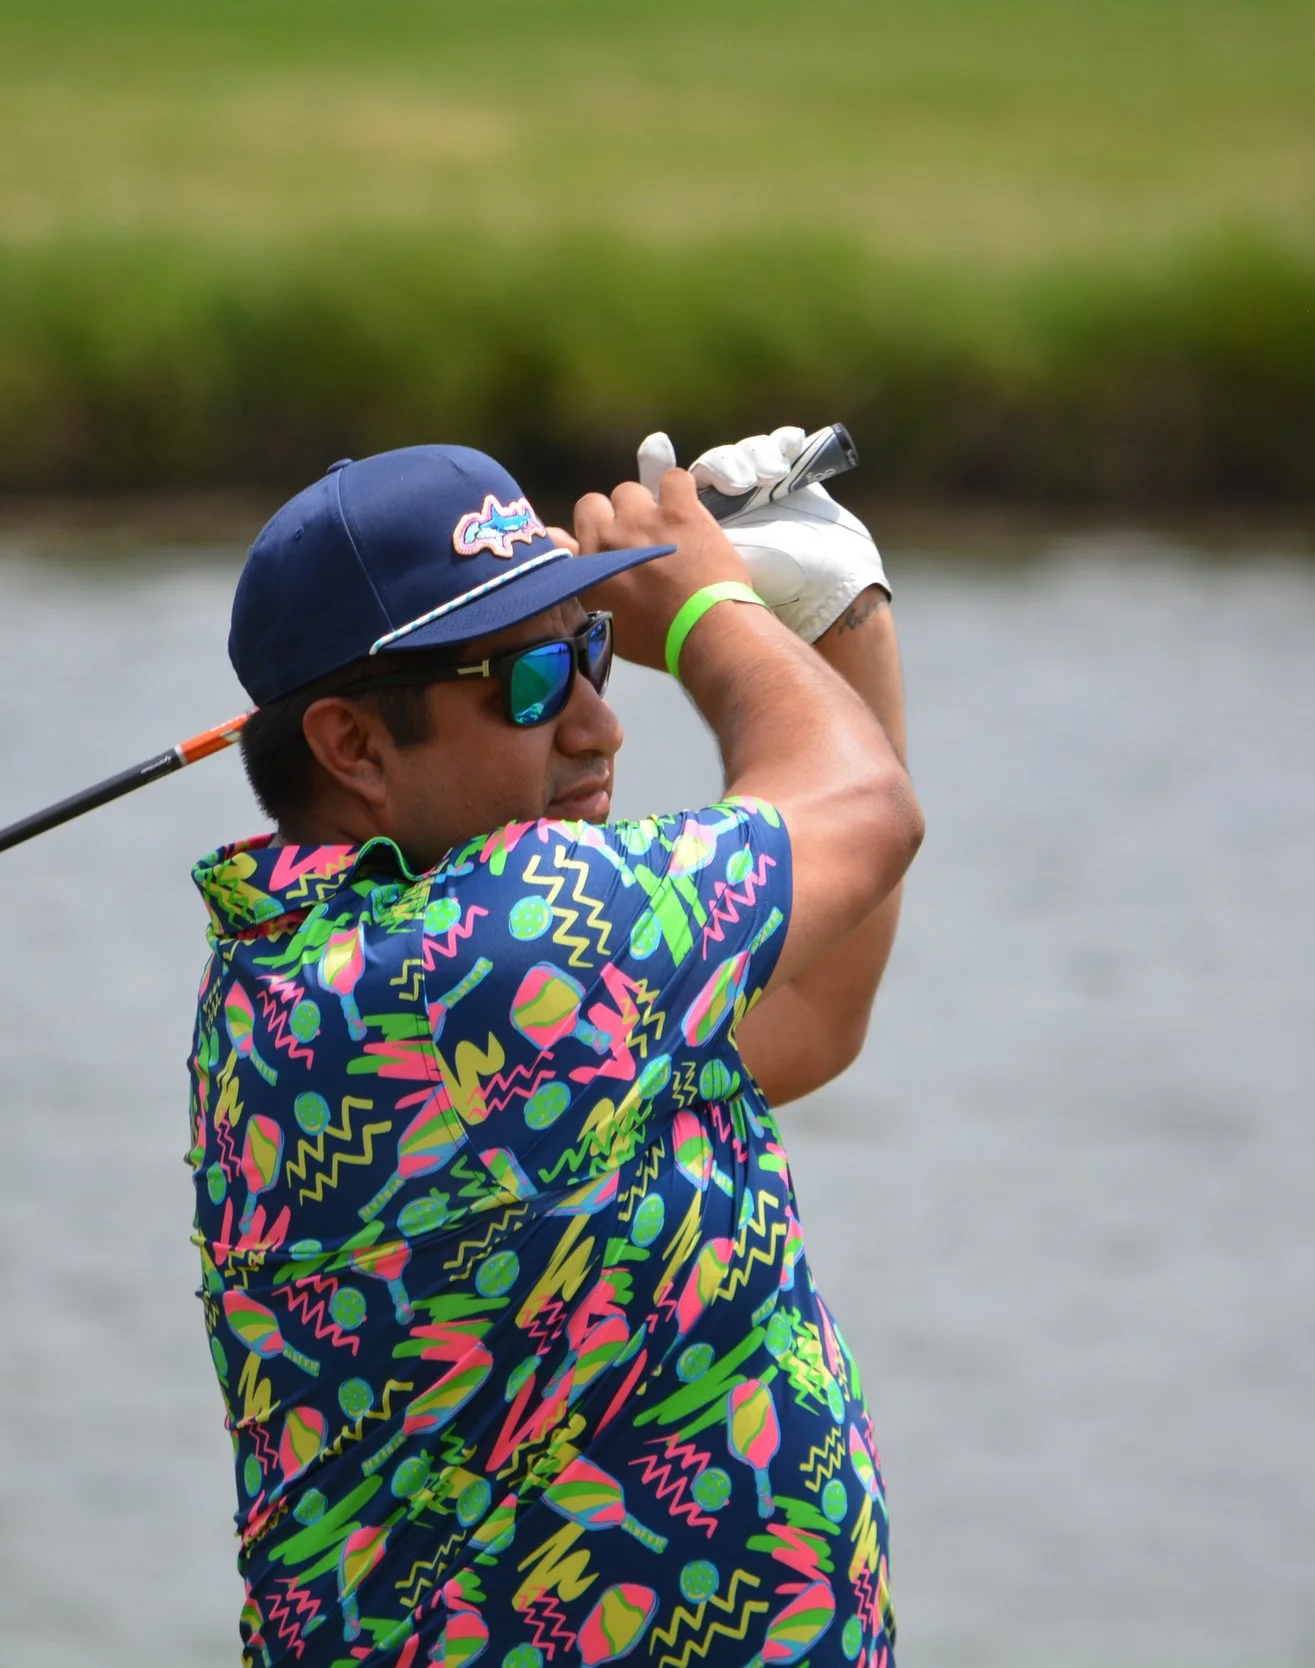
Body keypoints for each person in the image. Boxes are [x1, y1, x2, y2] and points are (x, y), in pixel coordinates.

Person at [185, 430, 920, 1668]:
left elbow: (808, 1023)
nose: (596, 726)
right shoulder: (479, 955)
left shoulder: (309, 951)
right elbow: (861, 812)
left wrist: (832, 625)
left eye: (590, 651)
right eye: (525, 684)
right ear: (352, 747)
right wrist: (704, 615)